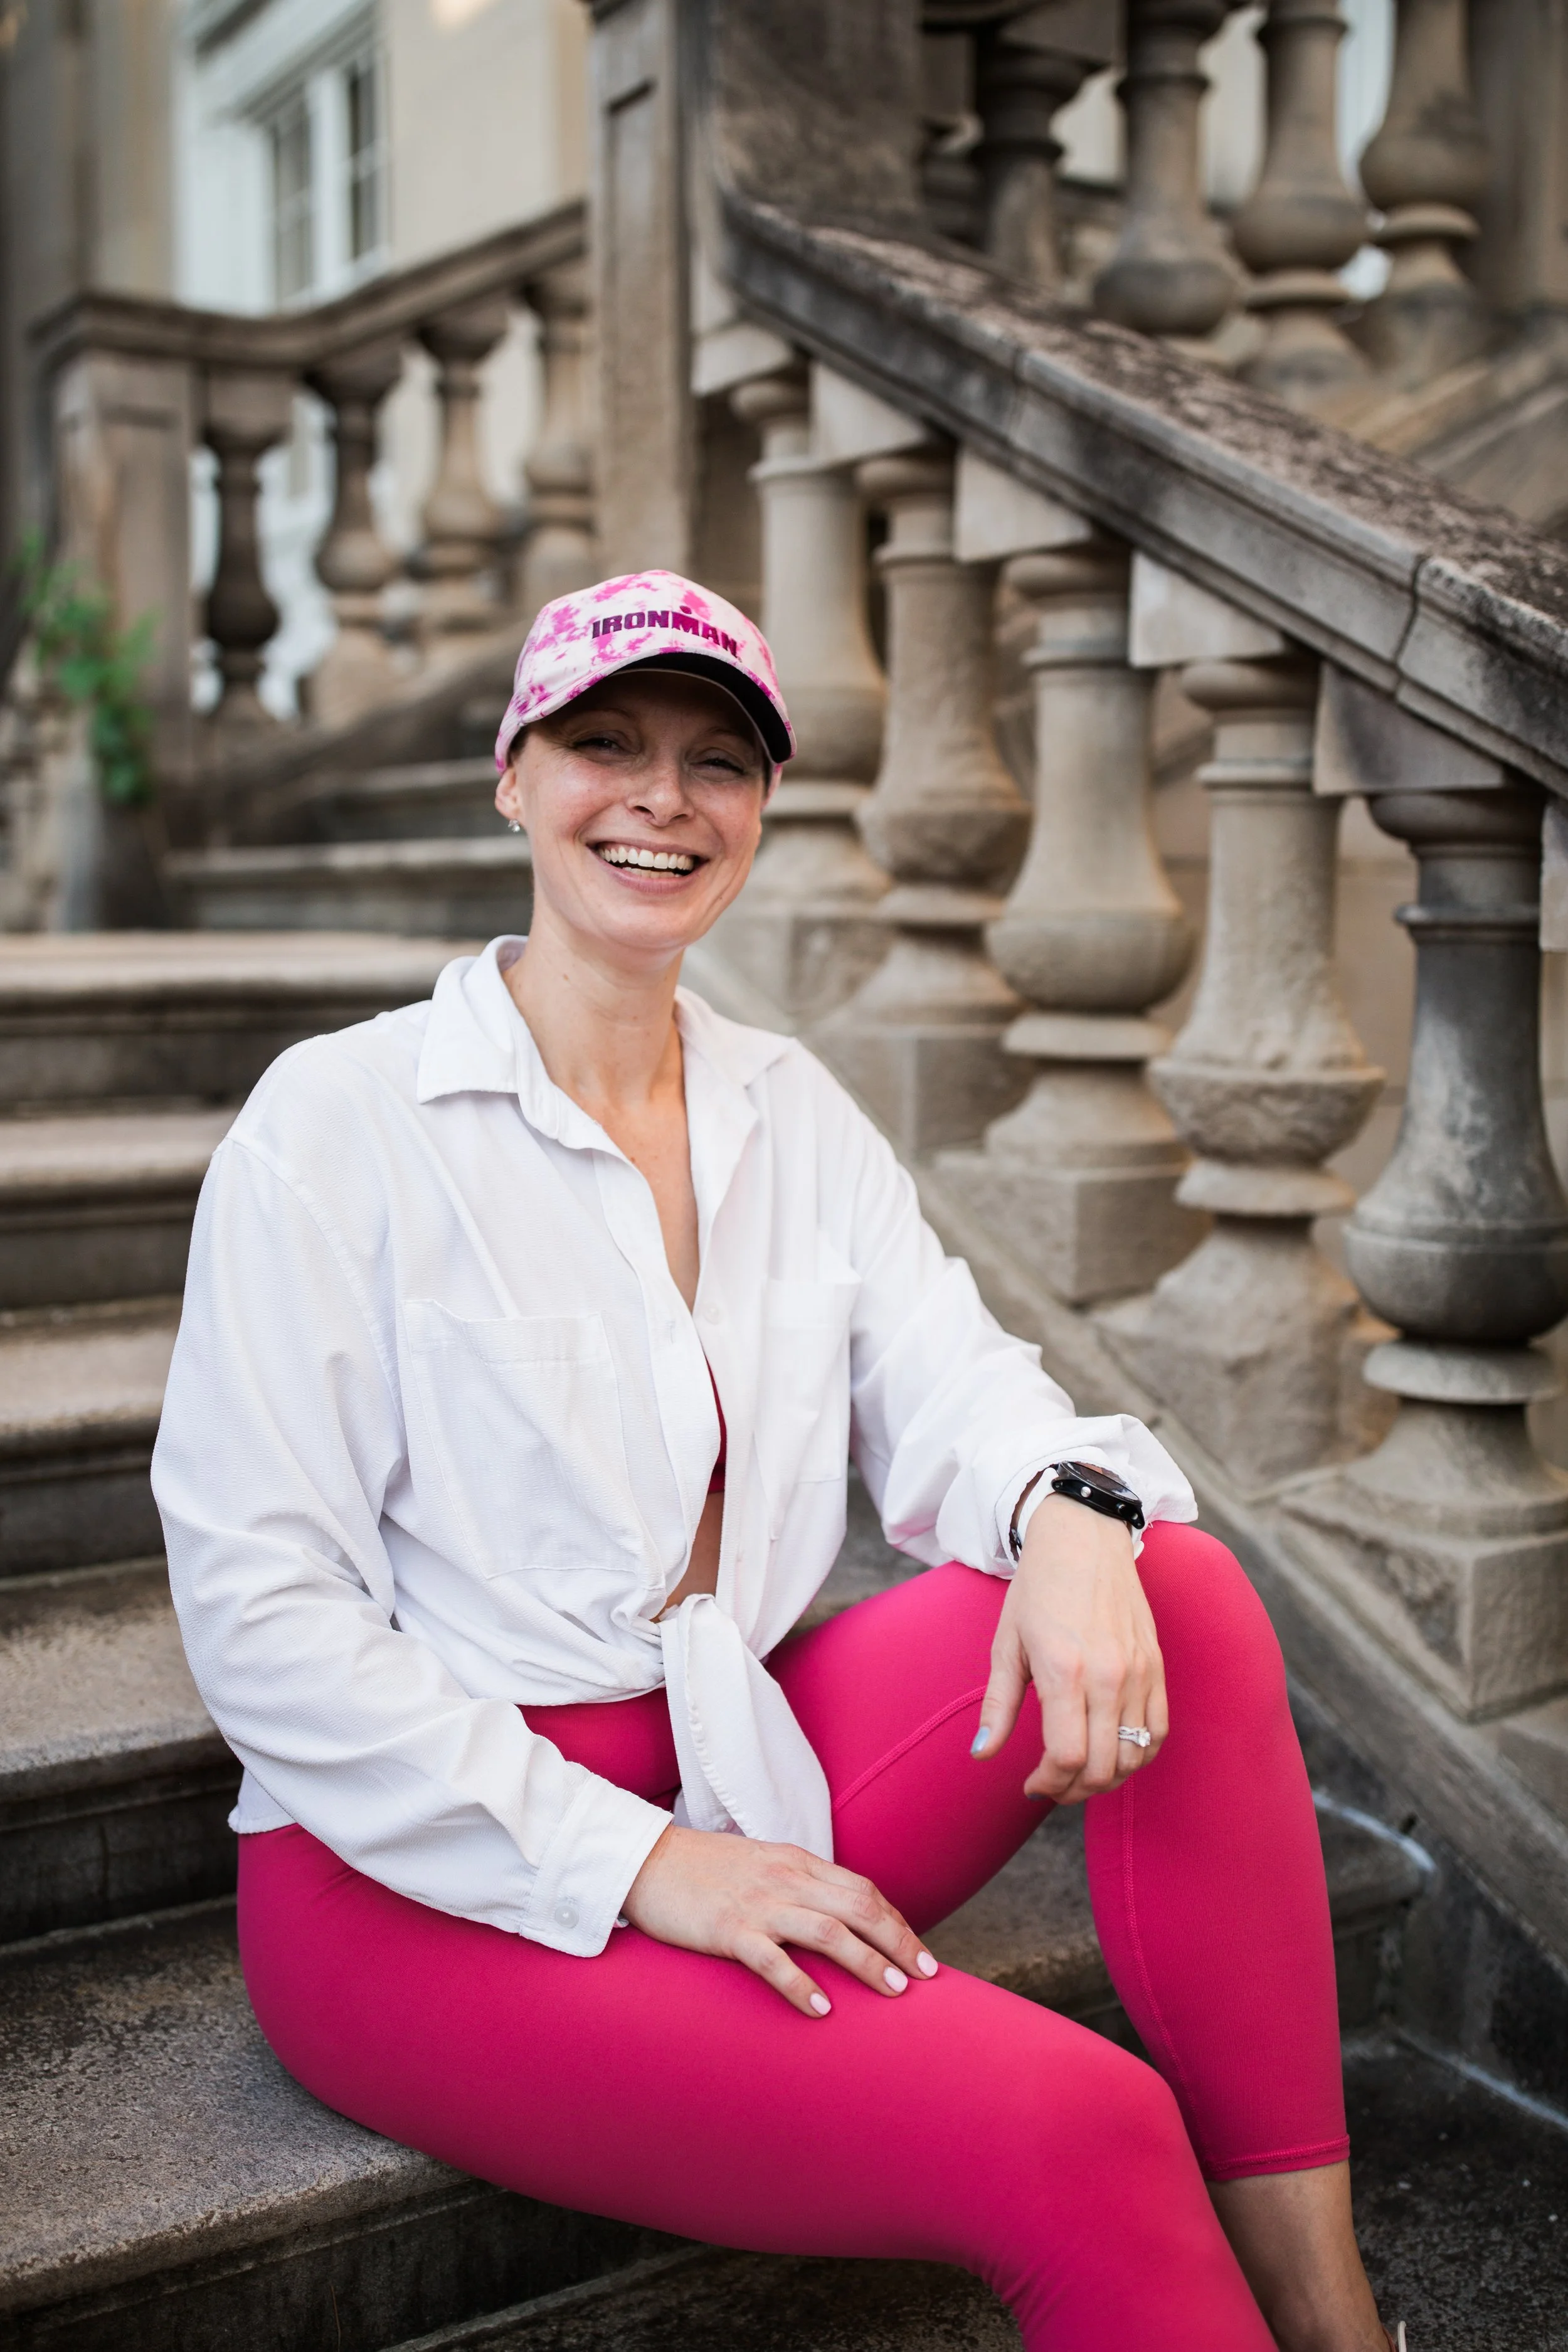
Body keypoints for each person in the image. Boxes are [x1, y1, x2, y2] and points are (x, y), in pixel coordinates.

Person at [154, 571, 1401, 2352]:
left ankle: (1332, 2322)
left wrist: (1067, 1510)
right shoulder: (336, 1128)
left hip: (727, 1753)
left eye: (715, 760)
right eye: (606, 743)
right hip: (417, 1877)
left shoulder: (788, 1110)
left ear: (756, 812)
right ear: (515, 774)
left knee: (1170, 1589)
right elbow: (264, 1619)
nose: (661, 796)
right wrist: (644, 1864)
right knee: (1081, 2123)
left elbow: (964, 1383)